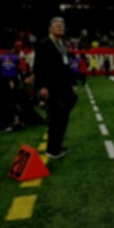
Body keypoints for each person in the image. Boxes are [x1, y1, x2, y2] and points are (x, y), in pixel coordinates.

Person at [34, 16, 77, 159]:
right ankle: (51, 149)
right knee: (55, 118)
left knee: (63, 118)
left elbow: (66, 66)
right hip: (52, 87)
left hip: (65, 88)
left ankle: (57, 145)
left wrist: (72, 84)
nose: (61, 28)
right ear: (50, 29)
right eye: (58, 26)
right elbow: (38, 67)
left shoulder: (62, 44)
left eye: (62, 26)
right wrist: (42, 87)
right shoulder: (44, 44)